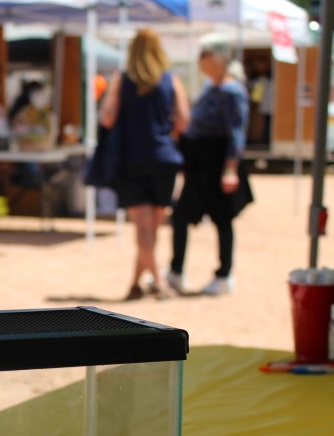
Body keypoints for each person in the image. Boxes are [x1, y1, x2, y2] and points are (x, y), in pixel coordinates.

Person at [99, 28, 190, 300]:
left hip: (132, 160)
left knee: (143, 228)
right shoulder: (171, 79)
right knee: (152, 228)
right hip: (164, 159)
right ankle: (137, 284)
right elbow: (184, 121)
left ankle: (156, 283)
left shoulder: (123, 79)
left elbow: (107, 118)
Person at [167, 41, 250, 297]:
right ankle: (176, 271)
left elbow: (236, 133)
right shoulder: (209, 86)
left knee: (222, 218)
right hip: (199, 163)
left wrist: (230, 169)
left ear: (219, 59)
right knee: (181, 216)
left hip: (217, 162)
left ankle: (224, 275)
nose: (201, 62)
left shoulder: (232, 90)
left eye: (206, 57)